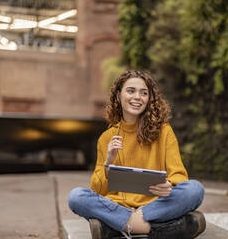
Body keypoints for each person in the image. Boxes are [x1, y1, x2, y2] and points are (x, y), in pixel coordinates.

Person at [68, 70, 205, 239]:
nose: (137, 97)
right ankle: (164, 229)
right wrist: (108, 162)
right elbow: (98, 190)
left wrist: (169, 185)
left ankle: (118, 226)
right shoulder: (106, 138)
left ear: (149, 99)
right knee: (76, 197)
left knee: (195, 190)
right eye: (131, 91)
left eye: (144, 93)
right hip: (119, 206)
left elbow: (179, 176)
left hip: (156, 206)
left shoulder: (164, 131)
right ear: (119, 95)